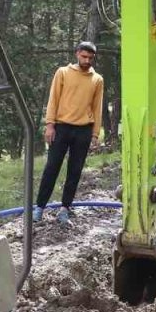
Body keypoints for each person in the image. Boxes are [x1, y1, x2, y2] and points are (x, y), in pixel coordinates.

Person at [33, 41, 104, 225]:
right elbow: (53, 99)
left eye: (90, 58)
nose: (86, 60)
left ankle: (65, 209)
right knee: (51, 168)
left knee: (75, 171)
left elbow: (97, 107)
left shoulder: (97, 79)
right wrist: (50, 125)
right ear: (77, 54)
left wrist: (95, 134)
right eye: (84, 56)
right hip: (61, 127)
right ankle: (39, 208)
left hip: (83, 130)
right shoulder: (63, 72)